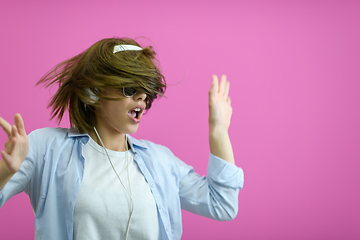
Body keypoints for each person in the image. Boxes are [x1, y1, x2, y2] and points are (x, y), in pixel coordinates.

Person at [0, 37, 244, 240]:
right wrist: (4, 171)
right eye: (129, 89)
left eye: (146, 92)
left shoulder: (160, 161)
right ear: (92, 92)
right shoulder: (45, 148)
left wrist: (218, 132)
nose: (141, 98)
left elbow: (222, 204)